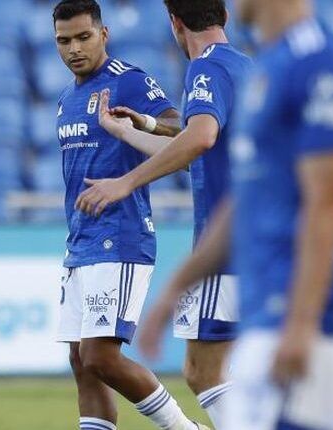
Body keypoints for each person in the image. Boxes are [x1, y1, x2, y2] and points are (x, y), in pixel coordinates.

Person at [139, 0, 333, 429]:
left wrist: (301, 324)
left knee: (213, 380)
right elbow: (249, 198)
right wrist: (176, 286)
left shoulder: (319, 66)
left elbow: (328, 201)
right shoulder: (263, 69)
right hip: (263, 285)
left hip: (300, 293)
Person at [75, 1, 250, 428]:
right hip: (259, 237)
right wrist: (135, 130)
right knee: (233, 371)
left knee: (202, 372)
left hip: (225, 242)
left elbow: (201, 138)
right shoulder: (245, 66)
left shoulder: (205, 68)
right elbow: (196, 152)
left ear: (174, 22)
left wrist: (126, 182)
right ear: (223, 16)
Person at [52, 1, 208, 429]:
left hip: (119, 236)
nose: (74, 48)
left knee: (100, 355)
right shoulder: (67, 99)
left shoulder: (128, 81)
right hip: (81, 242)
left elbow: (184, 129)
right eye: (64, 41)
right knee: (80, 359)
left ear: (104, 34)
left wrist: (145, 122)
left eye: (83, 37)